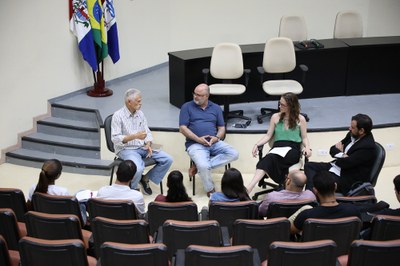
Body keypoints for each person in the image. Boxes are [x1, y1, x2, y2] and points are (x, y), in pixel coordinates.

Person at [179, 83, 239, 197]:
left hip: (213, 143)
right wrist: (198, 139)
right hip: (195, 144)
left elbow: (221, 128)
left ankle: (198, 167)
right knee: (204, 165)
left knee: (234, 153)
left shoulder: (215, 108)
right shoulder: (186, 107)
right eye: (194, 94)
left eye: (199, 95)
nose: (195, 97)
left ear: (207, 96)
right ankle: (210, 189)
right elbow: (182, 128)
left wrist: (216, 138)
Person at [247, 92, 312, 193]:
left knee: (271, 158)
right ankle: (249, 187)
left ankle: (282, 184)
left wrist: (307, 147)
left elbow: (304, 137)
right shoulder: (275, 117)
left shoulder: (301, 119)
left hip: (292, 149)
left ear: (291, 106)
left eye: (282, 105)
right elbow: (268, 135)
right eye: (279, 103)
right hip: (277, 148)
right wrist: (257, 144)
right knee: (268, 159)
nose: (279, 106)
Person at [111, 88, 173, 195]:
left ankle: (145, 179)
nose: (141, 103)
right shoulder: (118, 116)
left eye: (141, 100)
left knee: (167, 159)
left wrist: (148, 143)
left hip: (142, 147)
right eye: (138, 101)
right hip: (126, 149)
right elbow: (115, 139)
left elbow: (147, 131)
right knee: (138, 168)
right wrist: (134, 136)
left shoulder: (140, 114)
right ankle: (133, 189)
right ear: (129, 102)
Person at [304, 113, 376, 195]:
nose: (349, 128)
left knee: (319, 179)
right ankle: (310, 195)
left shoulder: (367, 147)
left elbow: (345, 164)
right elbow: (332, 149)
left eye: (352, 127)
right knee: (309, 166)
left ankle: (310, 197)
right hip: (336, 166)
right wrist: (342, 155)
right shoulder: (351, 134)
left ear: (361, 131)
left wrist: (340, 154)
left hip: (346, 177)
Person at [290, 170, 361, 234]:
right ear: (335, 186)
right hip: (344, 248)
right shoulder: (353, 211)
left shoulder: (307, 215)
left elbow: (290, 230)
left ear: (315, 191)